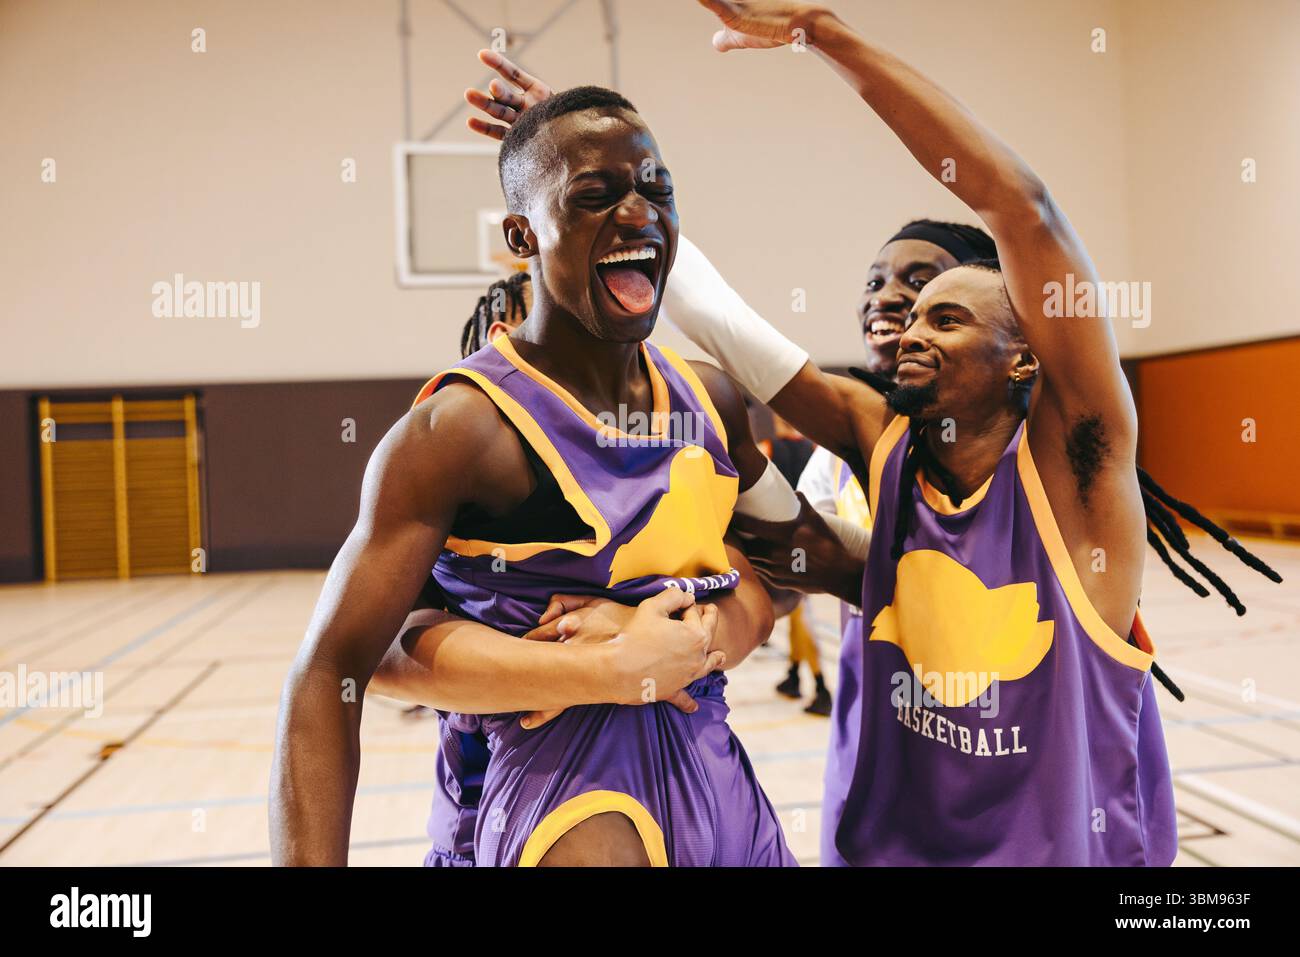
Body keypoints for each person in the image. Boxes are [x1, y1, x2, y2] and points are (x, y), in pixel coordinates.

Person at [682, 0, 1272, 864]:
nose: (909, 327)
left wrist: (823, 33)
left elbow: (1022, 205)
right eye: (906, 310)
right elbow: (721, 325)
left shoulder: (1078, 470)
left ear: (1025, 358)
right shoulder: (885, 444)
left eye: (946, 315)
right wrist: (609, 193)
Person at [273, 83, 799, 866]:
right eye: (596, 194)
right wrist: (601, 666)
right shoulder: (459, 430)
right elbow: (333, 668)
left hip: (712, 766)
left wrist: (713, 627)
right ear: (522, 232)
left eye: (657, 189)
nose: (637, 212)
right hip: (566, 782)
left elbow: (790, 565)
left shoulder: (710, 394)